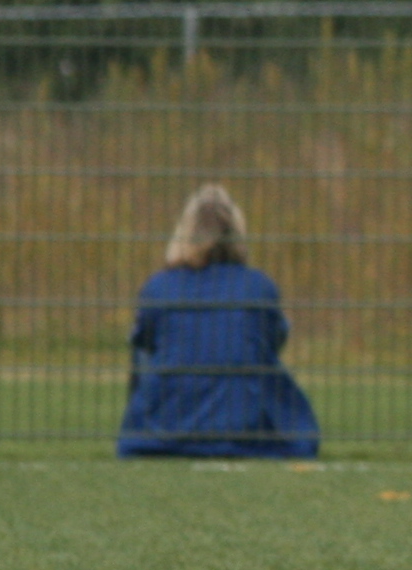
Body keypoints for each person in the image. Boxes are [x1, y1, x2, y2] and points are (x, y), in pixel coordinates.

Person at [119, 183, 318, 459]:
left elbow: (145, 343)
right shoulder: (258, 286)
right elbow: (275, 340)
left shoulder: (159, 287)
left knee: (143, 345)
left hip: (165, 435)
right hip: (248, 431)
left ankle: (147, 424)